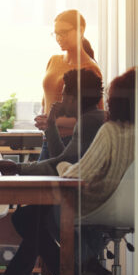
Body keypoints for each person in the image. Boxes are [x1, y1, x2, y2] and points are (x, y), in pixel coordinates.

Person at [0, 66, 138, 275]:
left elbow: (70, 168)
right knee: (31, 218)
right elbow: (62, 158)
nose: (61, 98)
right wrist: (52, 127)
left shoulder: (98, 125)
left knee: (27, 218)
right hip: (133, 207)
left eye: (65, 94)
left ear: (74, 98)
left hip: (96, 204)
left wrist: (20, 168)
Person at [35, 9, 102, 161]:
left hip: (71, 141)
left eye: (64, 32)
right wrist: (43, 119)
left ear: (81, 30)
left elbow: (96, 117)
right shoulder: (54, 60)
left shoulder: (89, 68)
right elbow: (46, 98)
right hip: (49, 137)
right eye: (56, 33)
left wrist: (53, 122)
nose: (59, 38)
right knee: (39, 181)